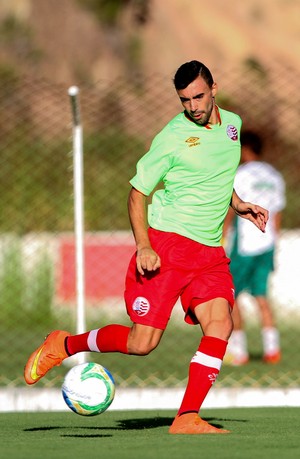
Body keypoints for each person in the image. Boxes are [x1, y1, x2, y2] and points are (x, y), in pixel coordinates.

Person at [24, 61, 268, 435]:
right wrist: (143, 246)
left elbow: (216, 172)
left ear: (214, 88)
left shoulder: (233, 126)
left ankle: (187, 417)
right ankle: (65, 343)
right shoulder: (172, 136)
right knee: (142, 343)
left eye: (199, 96)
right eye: (185, 100)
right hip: (167, 247)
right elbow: (137, 194)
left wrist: (238, 203)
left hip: (209, 254)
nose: (193, 106)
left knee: (221, 324)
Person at [223, 130, 286, 366]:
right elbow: (277, 214)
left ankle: (239, 352)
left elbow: (232, 206)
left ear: (245, 149)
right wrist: (273, 243)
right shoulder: (274, 176)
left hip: (245, 244)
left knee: (231, 295)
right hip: (267, 243)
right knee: (261, 296)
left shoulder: (240, 174)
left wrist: (223, 233)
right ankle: (272, 350)